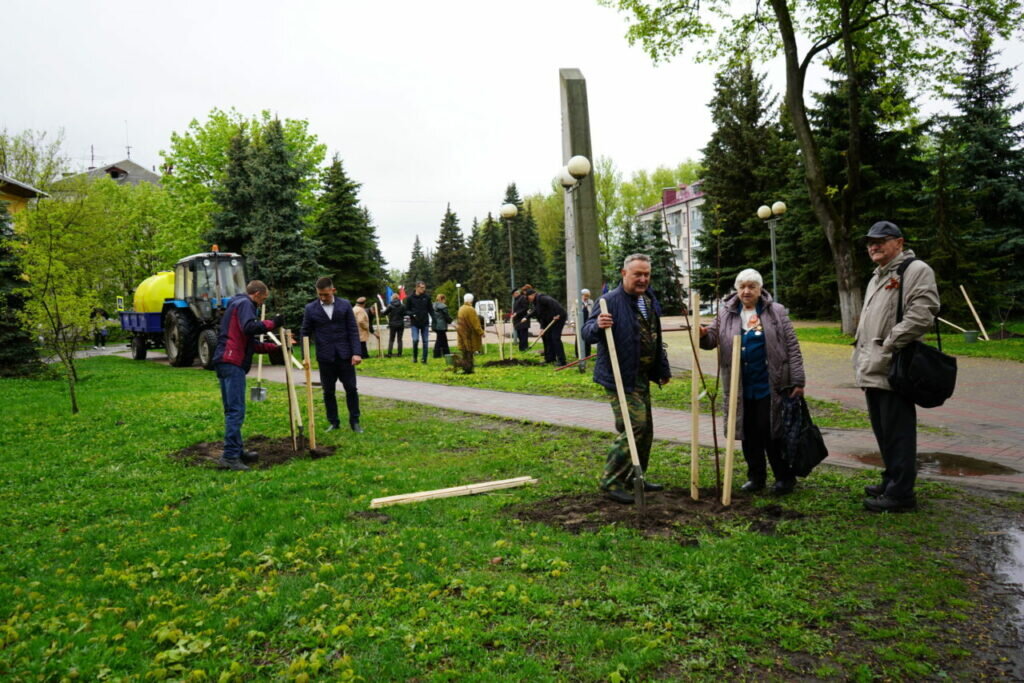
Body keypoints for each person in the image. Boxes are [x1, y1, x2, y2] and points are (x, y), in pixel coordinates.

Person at [853, 221, 939, 512]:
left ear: (899, 242)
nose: (873, 246)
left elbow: (922, 314)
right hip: (872, 366)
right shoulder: (877, 276)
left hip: (894, 366)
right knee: (884, 430)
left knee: (898, 432)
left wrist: (889, 344)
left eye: (881, 240)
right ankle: (891, 479)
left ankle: (901, 494)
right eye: (870, 242)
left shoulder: (915, 270)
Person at [699, 268, 806, 495]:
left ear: (760, 289)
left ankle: (784, 477)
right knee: (748, 432)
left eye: (751, 287)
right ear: (736, 289)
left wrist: (797, 380)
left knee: (771, 431)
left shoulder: (776, 312)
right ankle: (756, 477)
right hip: (739, 385)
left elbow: (792, 346)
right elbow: (711, 340)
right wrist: (702, 334)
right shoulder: (726, 312)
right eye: (742, 287)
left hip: (769, 383)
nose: (746, 291)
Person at [582, 254, 671, 504]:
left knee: (646, 430)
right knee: (635, 426)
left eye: (646, 274)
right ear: (624, 274)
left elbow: (654, 337)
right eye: (637, 274)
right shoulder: (609, 301)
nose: (643, 279)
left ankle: (635, 477)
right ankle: (611, 481)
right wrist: (597, 325)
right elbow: (586, 333)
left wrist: (662, 369)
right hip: (619, 376)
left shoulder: (648, 299)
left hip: (642, 375)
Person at [211, 280, 285, 471]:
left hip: (224, 360)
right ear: (257, 294)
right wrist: (273, 323)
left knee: (231, 410)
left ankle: (236, 450)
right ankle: (230, 456)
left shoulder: (236, 305)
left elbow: (250, 343)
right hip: (232, 361)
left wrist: (275, 348)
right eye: (263, 299)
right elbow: (250, 328)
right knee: (235, 411)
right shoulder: (245, 304)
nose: (262, 303)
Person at [300, 277, 364, 433]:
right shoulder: (311, 309)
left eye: (326, 294)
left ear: (333, 291)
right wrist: (305, 356)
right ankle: (333, 422)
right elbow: (305, 333)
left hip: (345, 355)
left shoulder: (345, 305)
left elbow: (353, 330)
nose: (322, 297)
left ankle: (355, 421)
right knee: (328, 391)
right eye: (320, 294)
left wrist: (356, 352)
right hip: (325, 357)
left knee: (351, 389)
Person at [524, 287, 567, 366]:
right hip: (550, 320)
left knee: (555, 338)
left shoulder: (542, 298)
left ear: (532, 295)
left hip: (559, 317)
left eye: (528, 297)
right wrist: (542, 328)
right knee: (547, 337)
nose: (528, 299)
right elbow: (541, 315)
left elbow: (554, 304)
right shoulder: (536, 302)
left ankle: (562, 361)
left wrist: (557, 314)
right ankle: (550, 358)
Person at [405, 281, 432, 363]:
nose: (423, 289)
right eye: (422, 287)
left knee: (425, 341)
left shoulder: (427, 297)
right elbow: (406, 310)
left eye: (424, 287)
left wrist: (435, 320)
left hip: (425, 323)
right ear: (417, 288)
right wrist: (412, 314)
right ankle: (415, 357)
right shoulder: (410, 298)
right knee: (415, 340)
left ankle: (424, 359)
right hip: (415, 323)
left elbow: (431, 310)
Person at [456, 292, 484, 374]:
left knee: (464, 351)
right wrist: (481, 332)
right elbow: (475, 323)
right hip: (469, 334)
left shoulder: (461, 308)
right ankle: (469, 369)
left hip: (462, 333)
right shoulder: (470, 309)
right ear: (471, 300)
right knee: (469, 351)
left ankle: (465, 368)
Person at [432, 294, 453, 358]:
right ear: (443, 299)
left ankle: (446, 352)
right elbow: (446, 316)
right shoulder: (443, 307)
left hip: (435, 325)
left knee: (443, 339)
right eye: (444, 300)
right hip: (441, 326)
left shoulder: (433, 305)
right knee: (439, 340)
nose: (445, 301)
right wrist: (451, 321)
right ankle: (437, 354)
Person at [512, 287, 531, 352]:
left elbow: (525, 308)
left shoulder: (522, 298)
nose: (515, 294)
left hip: (523, 320)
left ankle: (524, 348)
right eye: (514, 294)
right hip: (518, 321)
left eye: (516, 293)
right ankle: (521, 348)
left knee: (523, 336)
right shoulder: (516, 300)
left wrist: (516, 313)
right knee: (520, 336)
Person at [579, 289, 594, 359]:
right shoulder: (577, 301)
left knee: (588, 336)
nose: (586, 297)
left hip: (588, 321)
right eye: (585, 296)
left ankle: (588, 354)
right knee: (579, 337)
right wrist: (573, 322)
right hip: (580, 322)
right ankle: (579, 353)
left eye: (587, 296)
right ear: (581, 295)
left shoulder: (591, 302)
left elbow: (593, 311)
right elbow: (573, 312)